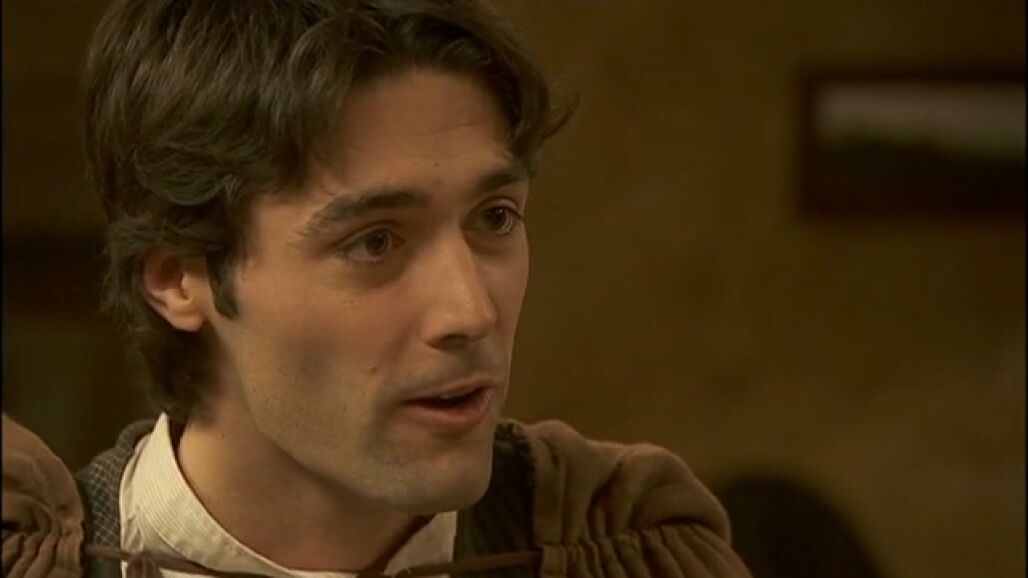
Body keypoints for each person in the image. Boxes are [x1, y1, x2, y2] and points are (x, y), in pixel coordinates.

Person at [2, 1, 752, 577]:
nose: (470, 311)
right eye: (375, 242)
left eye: (494, 217)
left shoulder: (621, 550)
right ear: (178, 278)